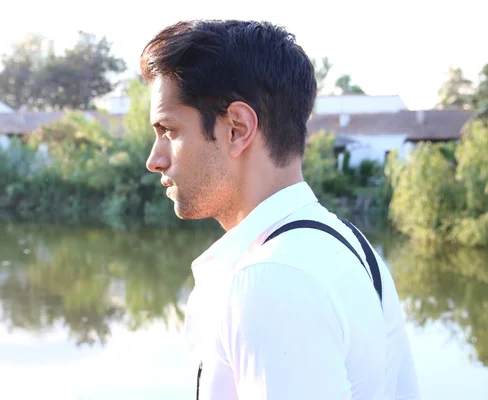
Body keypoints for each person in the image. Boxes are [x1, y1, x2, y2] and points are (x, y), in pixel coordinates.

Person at [140, 19, 420, 400]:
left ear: (237, 128)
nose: (154, 160)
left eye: (169, 131)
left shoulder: (274, 278)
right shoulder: (347, 243)